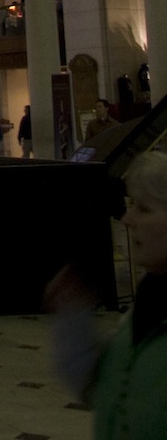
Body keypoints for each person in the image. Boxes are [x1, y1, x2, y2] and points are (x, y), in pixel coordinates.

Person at [48, 150, 167, 439]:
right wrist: (74, 319)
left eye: (144, 209)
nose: (127, 218)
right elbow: (103, 387)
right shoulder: (148, 303)